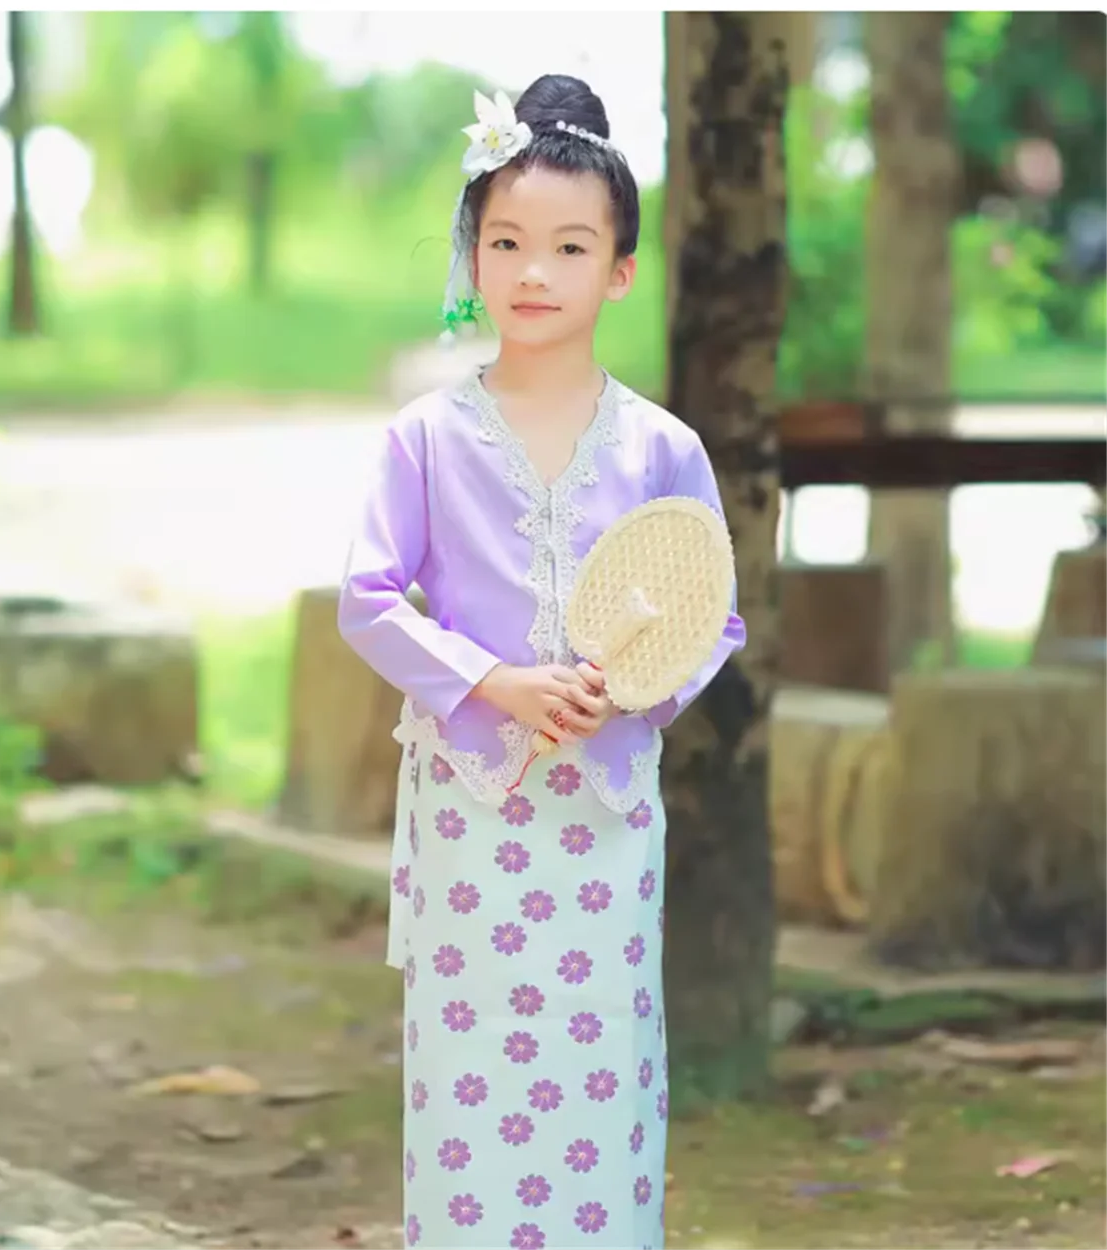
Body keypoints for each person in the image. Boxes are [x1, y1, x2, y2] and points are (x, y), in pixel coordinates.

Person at [339, 73, 746, 1250]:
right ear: (470, 256)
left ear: (618, 269)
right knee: (471, 1083)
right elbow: (367, 600)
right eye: (505, 241)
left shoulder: (665, 447)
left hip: (605, 817)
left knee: (599, 1071)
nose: (531, 271)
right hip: (475, 820)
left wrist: (631, 689)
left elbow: (710, 616)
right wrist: (493, 682)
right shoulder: (422, 438)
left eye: (569, 246)